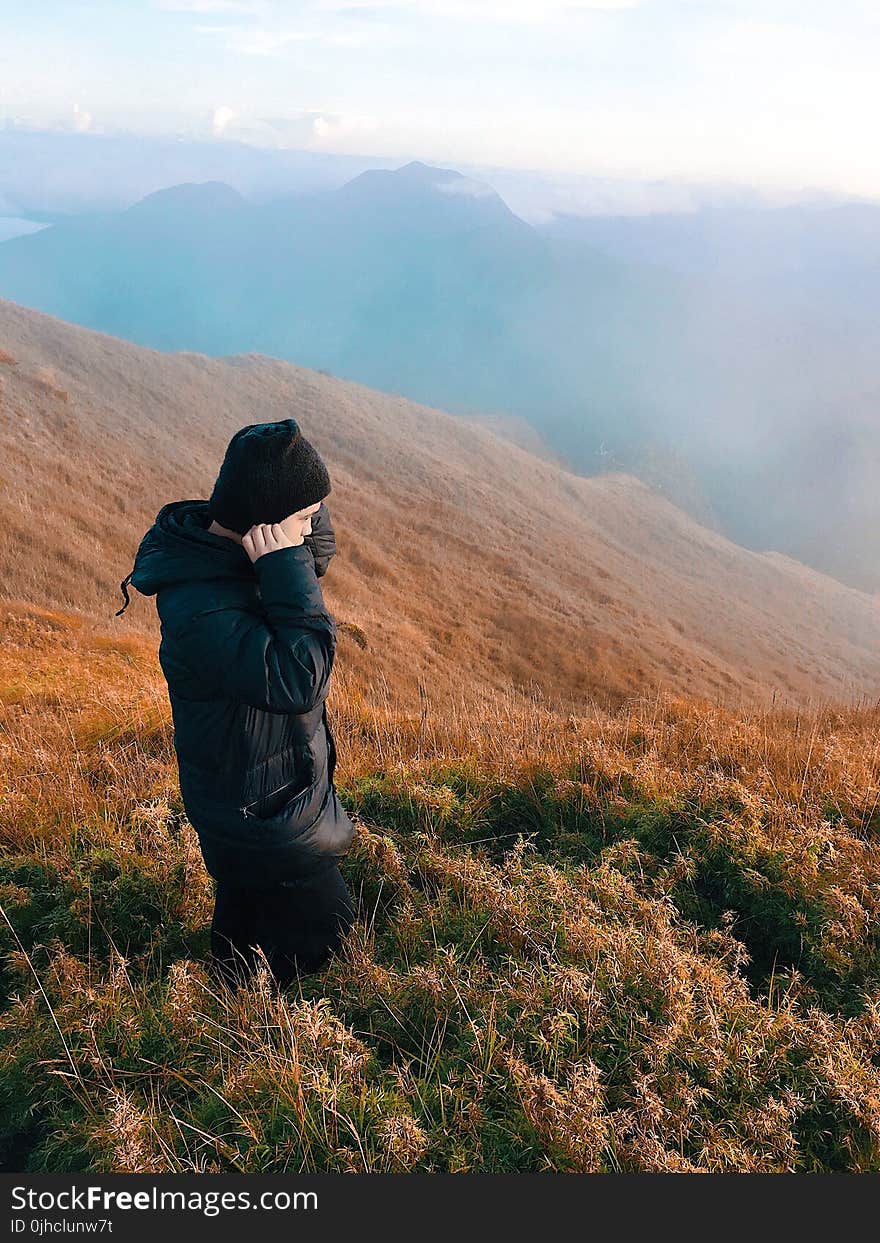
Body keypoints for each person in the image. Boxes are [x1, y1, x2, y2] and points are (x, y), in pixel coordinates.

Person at [115, 418, 356, 989]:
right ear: (264, 527)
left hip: (264, 801)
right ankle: (265, 1055)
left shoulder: (230, 551)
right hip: (266, 820)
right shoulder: (202, 606)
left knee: (242, 946)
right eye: (301, 519)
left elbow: (316, 551)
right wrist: (283, 561)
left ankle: (224, 1006)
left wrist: (296, 521)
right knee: (334, 963)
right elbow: (301, 676)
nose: (312, 530)